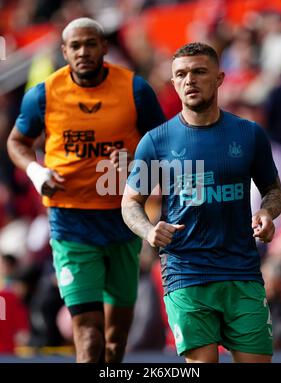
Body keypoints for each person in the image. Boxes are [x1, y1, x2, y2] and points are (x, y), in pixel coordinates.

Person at [7, 17, 165, 363]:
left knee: (114, 340)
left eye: (90, 44)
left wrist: (156, 196)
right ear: (64, 51)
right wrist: (35, 170)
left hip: (124, 220)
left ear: (104, 47)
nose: (83, 52)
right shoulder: (45, 95)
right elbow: (17, 141)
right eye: (74, 46)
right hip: (70, 223)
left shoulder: (135, 90)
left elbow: (164, 144)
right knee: (88, 333)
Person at [121, 42, 281, 363]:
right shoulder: (156, 141)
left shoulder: (249, 134)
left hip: (243, 272)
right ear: (173, 83)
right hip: (186, 272)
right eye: (180, 74)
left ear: (220, 78)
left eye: (199, 72)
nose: (189, 81)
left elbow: (273, 190)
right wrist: (149, 232)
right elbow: (130, 203)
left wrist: (267, 212)